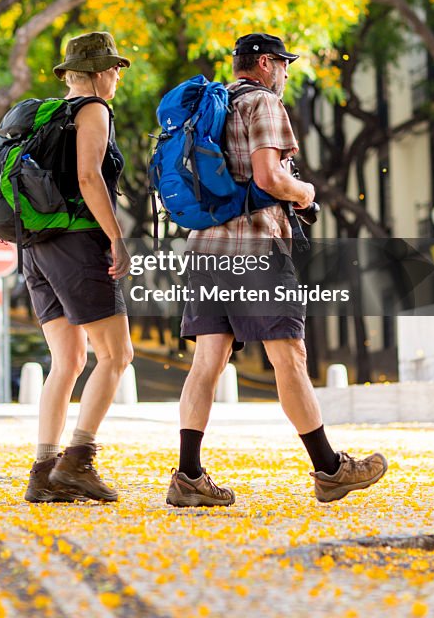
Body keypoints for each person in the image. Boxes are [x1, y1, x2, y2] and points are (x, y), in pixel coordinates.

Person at [166, 33, 387, 507]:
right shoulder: (263, 103)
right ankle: (329, 469)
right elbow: (268, 177)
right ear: (265, 63)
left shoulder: (214, 105)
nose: (285, 74)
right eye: (283, 65)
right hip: (254, 249)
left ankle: (188, 476)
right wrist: (303, 193)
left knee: (207, 362)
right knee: (290, 356)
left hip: (204, 250)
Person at [23, 31, 133, 504]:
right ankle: (77, 461)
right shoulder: (92, 110)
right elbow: (89, 177)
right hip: (74, 243)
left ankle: (42, 474)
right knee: (117, 354)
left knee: (67, 361)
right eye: (114, 68)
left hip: (36, 247)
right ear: (96, 73)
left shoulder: (44, 116)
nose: (117, 77)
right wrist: (115, 236)